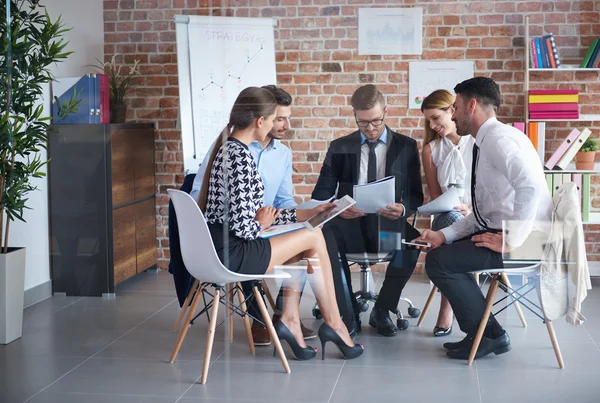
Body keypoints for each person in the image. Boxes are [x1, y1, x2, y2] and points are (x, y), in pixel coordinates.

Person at [198, 86, 363, 360]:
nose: (278, 125)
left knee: (308, 234)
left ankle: (291, 320)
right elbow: (246, 229)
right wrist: (261, 223)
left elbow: (257, 215)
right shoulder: (240, 158)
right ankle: (333, 324)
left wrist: (305, 214)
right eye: (275, 118)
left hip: (226, 246)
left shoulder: (230, 150)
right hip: (235, 253)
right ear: (259, 121)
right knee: (314, 238)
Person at [414, 77, 552, 359]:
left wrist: (512, 240)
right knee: (443, 252)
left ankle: (489, 335)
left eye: (456, 107)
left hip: (529, 242)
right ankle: (485, 335)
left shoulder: (499, 141)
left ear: (472, 105)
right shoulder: (485, 141)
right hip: (510, 234)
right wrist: (443, 235)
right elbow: (482, 213)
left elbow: (531, 186)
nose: (453, 114)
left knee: (440, 262)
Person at [312, 84, 424, 337]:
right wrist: (340, 209)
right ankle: (346, 312)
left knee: (411, 242)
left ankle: (382, 309)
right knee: (326, 238)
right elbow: (321, 194)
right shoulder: (339, 146)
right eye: (363, 123)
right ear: (354, 116)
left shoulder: (406, 146)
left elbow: (416, 194)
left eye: (376, 121)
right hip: (349, 224)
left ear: (386, 111)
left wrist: (403, 208)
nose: (371, 129)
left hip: (386, 226)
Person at [420, 89, 475, 337]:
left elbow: (494, 191)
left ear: (452, 111)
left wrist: (472, 210)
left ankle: (448, 307)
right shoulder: (431, 150)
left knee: (462, 224)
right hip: (446, 217)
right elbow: (435, 197)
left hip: (478, 216)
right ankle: (470, 314)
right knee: (453, 221)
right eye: (428, 121)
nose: (433, 125)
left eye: (435, 118)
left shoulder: (478, 142)